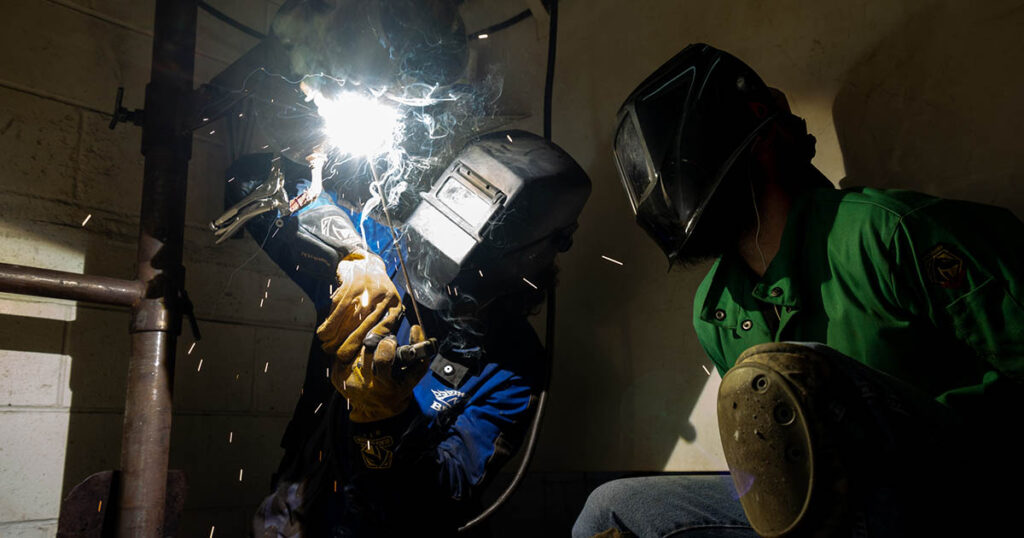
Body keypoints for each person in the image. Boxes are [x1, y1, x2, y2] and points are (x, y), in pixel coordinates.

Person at [573, 43, 1023, 537]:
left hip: (951, 495)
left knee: (801, 372)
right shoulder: (715, 308)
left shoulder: (889, 233)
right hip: (828, 513)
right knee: (610, 509)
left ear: (759, 136)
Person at [221, 130, 590, 536]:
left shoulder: (515, 365)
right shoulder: (380, 252)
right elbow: (250, 176)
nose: (434, 271)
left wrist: (385, 422)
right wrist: (343, 248)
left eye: (458, 273)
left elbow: (445, 494)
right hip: (292, 517)